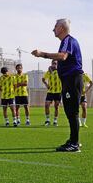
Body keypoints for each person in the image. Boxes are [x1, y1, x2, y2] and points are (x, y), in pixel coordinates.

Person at [32, 18, 83, 152]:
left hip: (72, 79)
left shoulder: (68, 40)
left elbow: (63, 56)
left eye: (55, 26)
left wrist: (42, 54)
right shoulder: (66, 42)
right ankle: (74, 140)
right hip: (69, 80)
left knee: (72, 111)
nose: (53, 29)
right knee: (70, 111)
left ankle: (75, 143)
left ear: (61, 28)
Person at [42, 60, 62, 126]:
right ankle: (47, 120)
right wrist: (46, 85)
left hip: (58, 91)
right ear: (51, 64)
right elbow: (43, 79)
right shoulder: (49, 72)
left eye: (56, 63)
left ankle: (55, 121)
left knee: (56, 106)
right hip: (50, 91)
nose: (54, 65)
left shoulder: (60, 71)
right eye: (53, 63)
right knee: (47, 105)